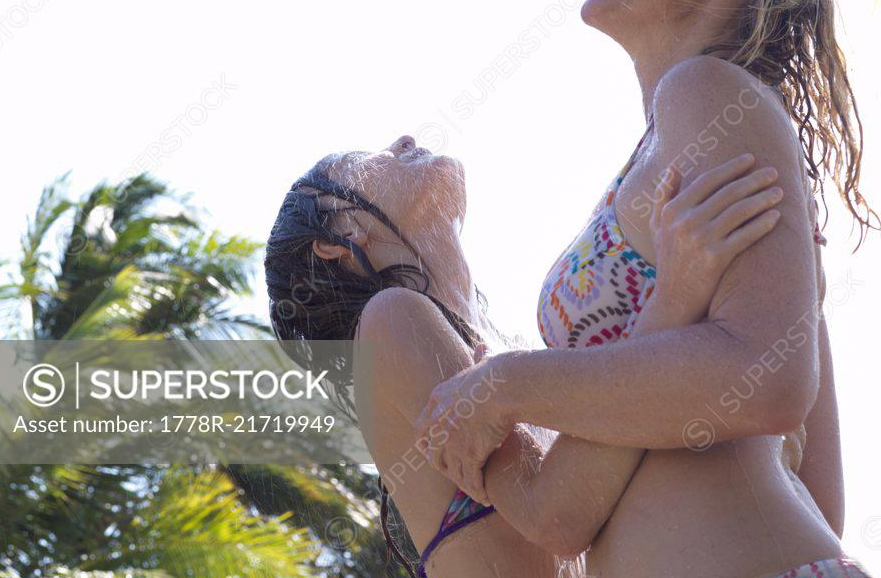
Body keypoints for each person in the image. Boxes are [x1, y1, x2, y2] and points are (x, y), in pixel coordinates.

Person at [415, 0, 877, 578]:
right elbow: (813, 491)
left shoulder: (709, 91)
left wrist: (507, 385)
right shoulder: (692, 131)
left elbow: (769, 376)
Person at [265, 131, 789, 577]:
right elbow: (559, 516)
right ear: (340, 238)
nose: (401, 141)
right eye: (362, 164)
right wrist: (678, 290)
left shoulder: (502, 352)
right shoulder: (390, 318)